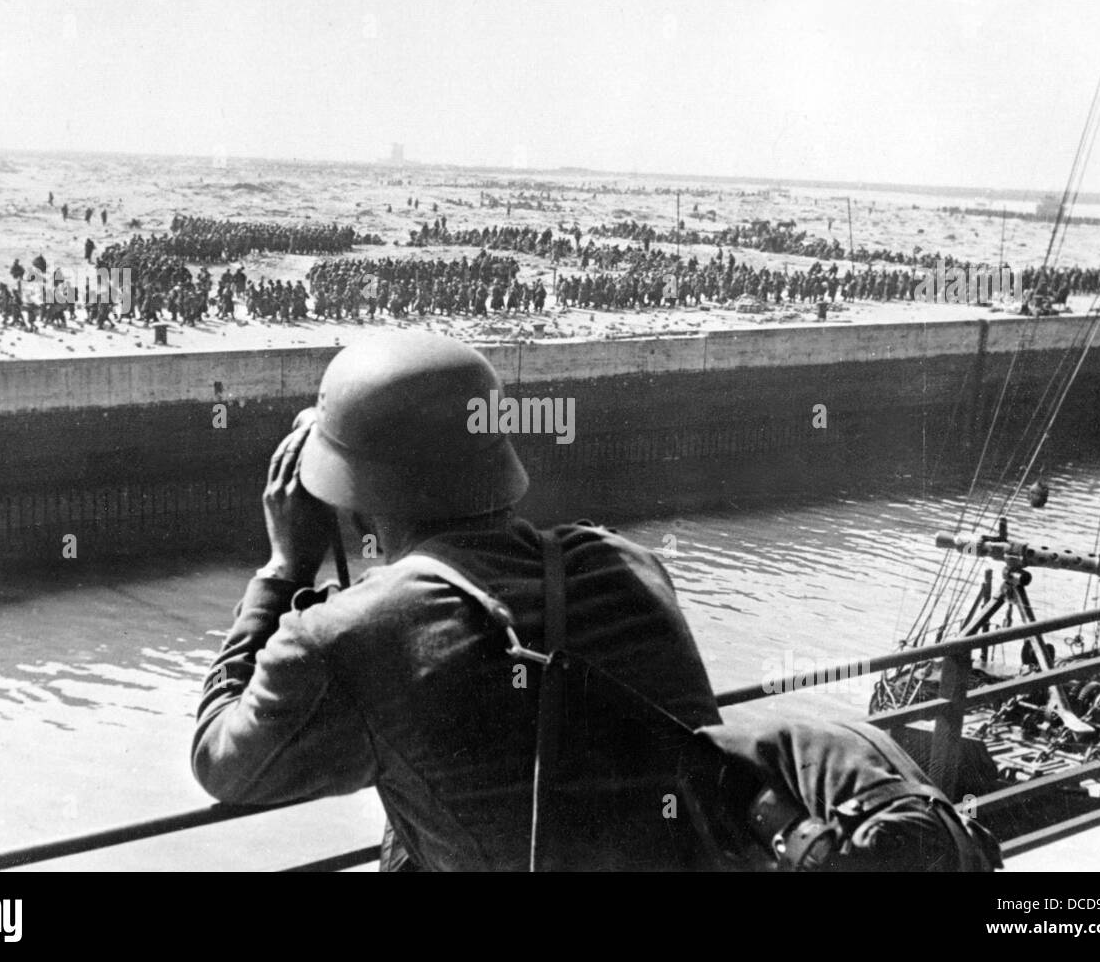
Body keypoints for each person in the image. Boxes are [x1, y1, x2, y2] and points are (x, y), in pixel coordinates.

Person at [192, 332, 720, 870]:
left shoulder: (345, 636)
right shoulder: (625, 562)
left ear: (350, 502)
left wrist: (284, 571)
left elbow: (222, 762)